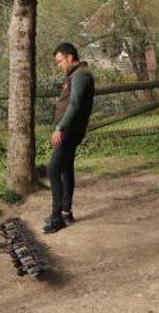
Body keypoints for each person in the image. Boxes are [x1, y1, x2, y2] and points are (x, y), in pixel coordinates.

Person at [43, 42, 95, 234]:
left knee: (53, 169)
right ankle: (66, 211)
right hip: (71, 129)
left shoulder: (81, 75)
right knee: (65, 169)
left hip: (70, 131)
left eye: (60, 61)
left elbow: (75, 105)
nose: (59, 66)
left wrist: (60, 128)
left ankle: (57, 216)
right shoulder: (76, 74)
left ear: (70, 57)